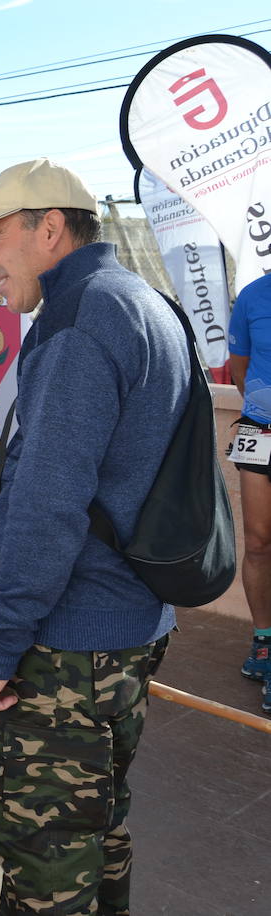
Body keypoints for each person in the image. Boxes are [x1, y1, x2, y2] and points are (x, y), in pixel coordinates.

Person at [0, 158, 185, 915]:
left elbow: (50, 507)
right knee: (97, 830)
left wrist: (1, 647)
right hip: (126, 624)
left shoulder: (81, 322)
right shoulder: (141, 302)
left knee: (46, 857)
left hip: (70, 643)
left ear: (49, 229)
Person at [226, 271, 271, 710]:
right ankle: (264, 641)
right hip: (260, 430)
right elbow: (239, 370)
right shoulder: (253, 296)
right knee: (257, 544)